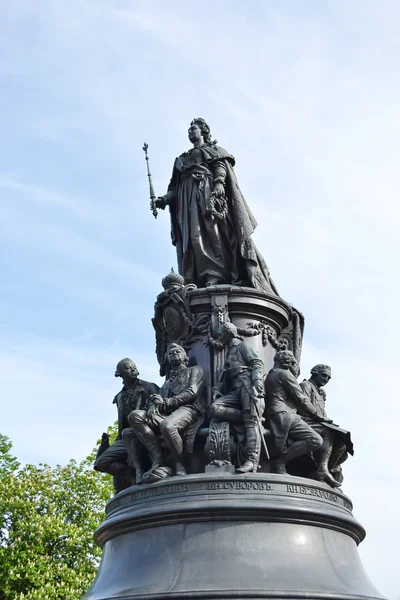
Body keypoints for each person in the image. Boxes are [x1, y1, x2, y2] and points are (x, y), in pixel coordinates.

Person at [155, 118, 278, 293]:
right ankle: (196, 277)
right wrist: (164, 199)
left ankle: (214, 274)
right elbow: (174, 187)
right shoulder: (181, 159)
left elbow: (220, 166)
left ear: (203, 131)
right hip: (186, 202)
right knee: (191, 239)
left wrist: (219, 184)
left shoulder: (214, 151)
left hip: (205, 193)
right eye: (189, 129)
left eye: (194, 128)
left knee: (210, 234)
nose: (190, 131)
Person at [129, 344, 205, 478]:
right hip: (169, 413)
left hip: (190, 409)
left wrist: (167, 402)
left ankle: (180, 461)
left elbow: (192, 392)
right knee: (135, 416)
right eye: (170, 353)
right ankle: (158, 457)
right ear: (167, 360)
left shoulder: (195, 371)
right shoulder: (167, 383)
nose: (174, 354)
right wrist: (154, 405)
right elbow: (160, 400)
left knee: (168, 426)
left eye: (177, 351)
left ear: (184, 357)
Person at [93, 358, 159, 492]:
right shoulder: (119, 397)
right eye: (129, 368)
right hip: (125, 436)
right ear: (120, 373)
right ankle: (130, 476)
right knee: (101, 462)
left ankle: (140, 472)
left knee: (128, 433)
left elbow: (161, 407)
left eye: (134, 367)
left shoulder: (150, 387)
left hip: (147, 432)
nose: (133, 370)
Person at [209, 322, 265, 473]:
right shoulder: (230, 350)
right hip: (236, 389)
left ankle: (252, 461)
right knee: (215, 408)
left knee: (251, 423)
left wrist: (257, 379)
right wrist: (218, 388)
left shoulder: (242, 345)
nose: (219, 337)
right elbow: (227, 374)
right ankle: (248, 419)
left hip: (248, 385)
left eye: (221, 334)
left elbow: (257, 362)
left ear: (229, 333)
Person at [265, 350, 324, 475]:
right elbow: (300, 398)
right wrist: (316, 415)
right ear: (288, 362)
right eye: (292, 362)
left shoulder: (270, 375)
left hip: (275, 413)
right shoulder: (285, 374)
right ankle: (281, 462)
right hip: (285, 414)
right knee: (316, 440)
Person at [300, 364, 353, 487]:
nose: (326, 379)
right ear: (314, 372)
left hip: (317, 423)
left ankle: (323, 470)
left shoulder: (320, 393)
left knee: (343, 444)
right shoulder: (305, 386)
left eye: (329, 378)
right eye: (324, 375)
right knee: (328, 432)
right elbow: (302, 407)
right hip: (305, 421)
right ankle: (322, 469)